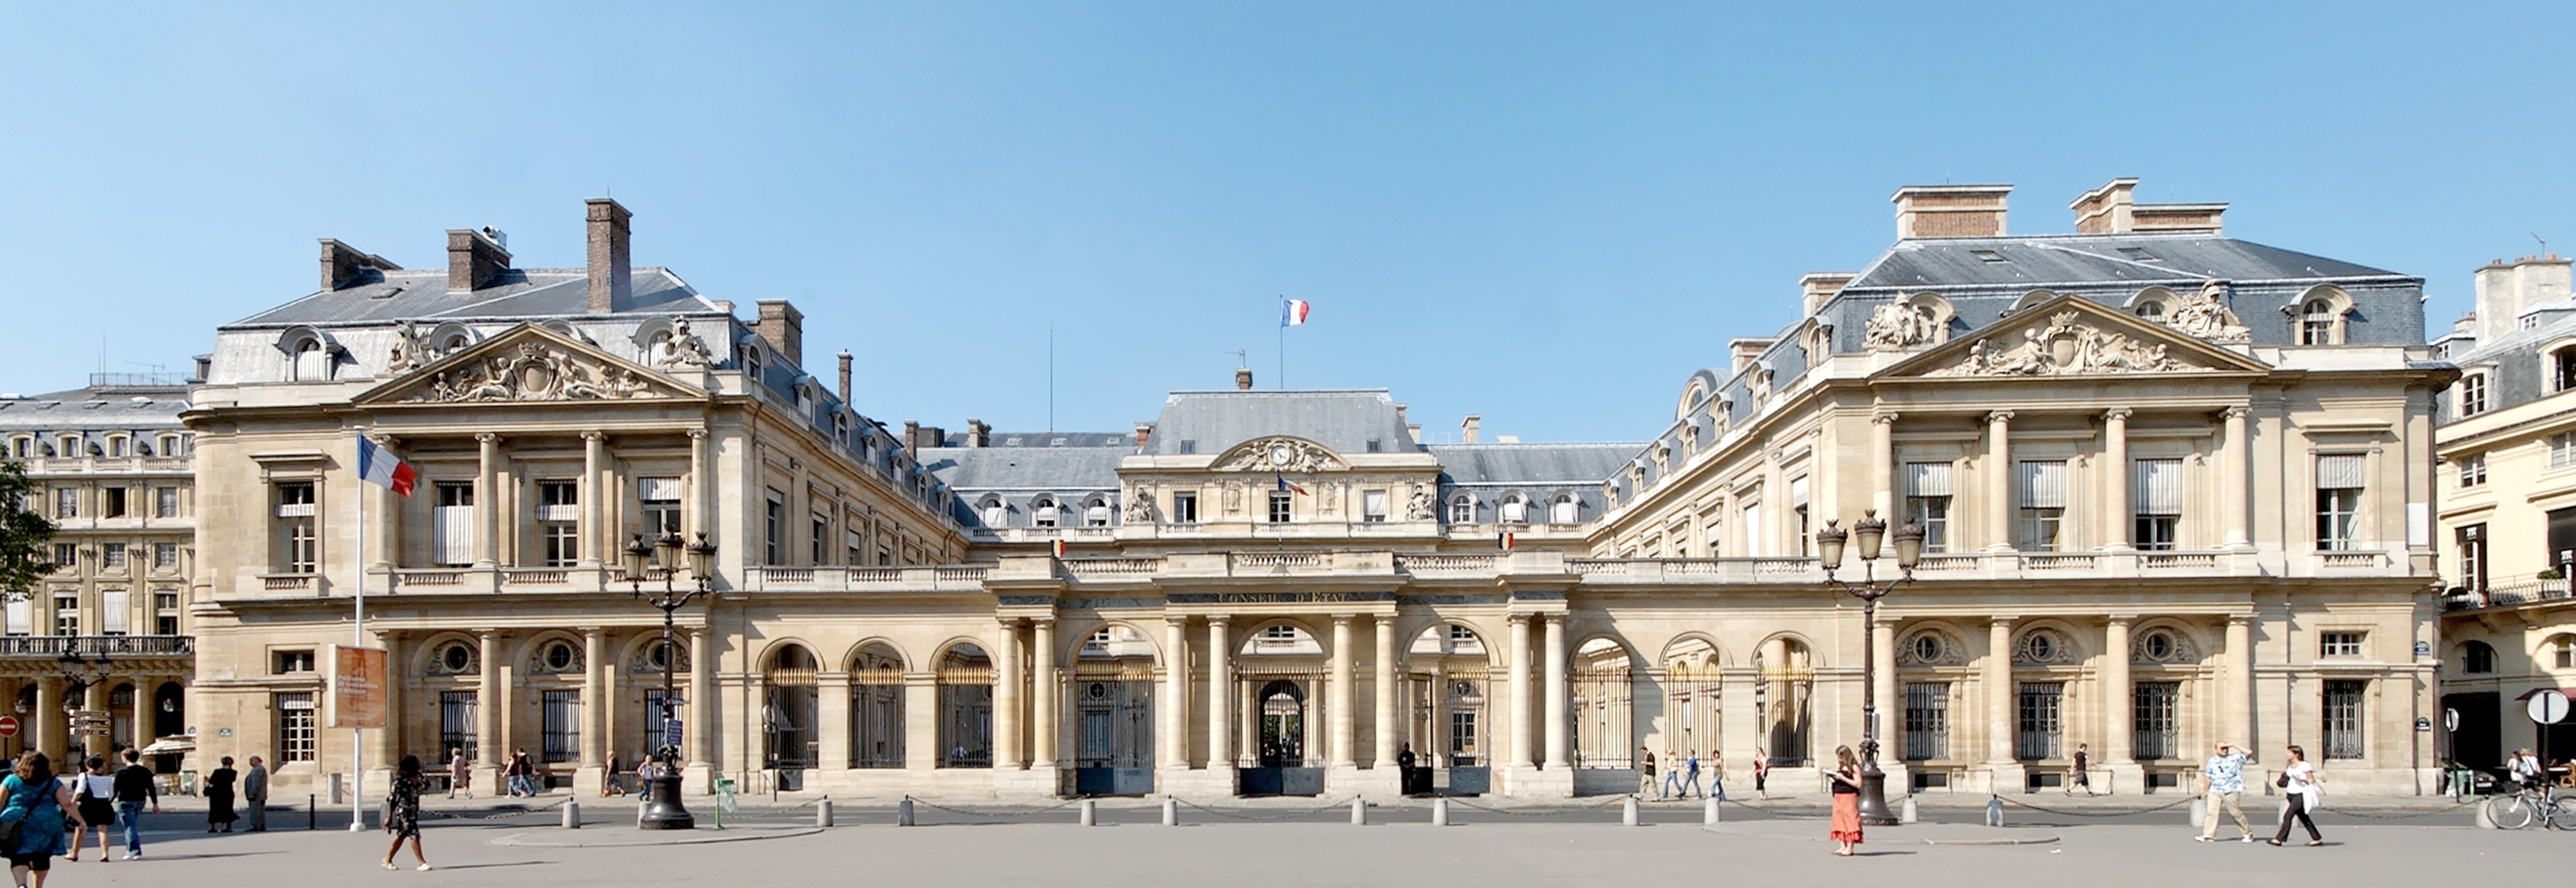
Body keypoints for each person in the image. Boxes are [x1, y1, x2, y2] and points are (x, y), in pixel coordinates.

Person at [1, 751, 78, 888]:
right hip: (46, 820)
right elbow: (65, 803)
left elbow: (0, 801)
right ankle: (38, 886)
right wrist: (80, 820)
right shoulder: (53, 782)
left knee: (18, 854)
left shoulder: (11, 780)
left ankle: (21, 884)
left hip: (15, 820)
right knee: (42, 854)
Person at [379, 754, 429, 871]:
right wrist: (388, 817)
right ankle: (421, 862)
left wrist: (419, 780)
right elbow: (392, 799)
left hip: (413, 810)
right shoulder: (399, 781)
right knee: (413, 833)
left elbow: (426, 786)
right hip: (403, 811)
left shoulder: (417, 777)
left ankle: (387, 859)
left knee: (401, 835)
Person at [2196, 741, 2254, 843]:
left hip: (2231, 789)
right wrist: (2206, 789)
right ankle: (2209, 834)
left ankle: (2247, 833)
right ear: (2216, 749)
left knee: (2235, 812)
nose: (2225, 750)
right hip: (2215, 789)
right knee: (2212, 813)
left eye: (2226, 748)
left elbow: (2249, 752)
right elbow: (2209, 776)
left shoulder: (2235, 758)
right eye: (2222, 748)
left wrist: (2234, 745)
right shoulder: (2212, 761)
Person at [2268, 744, 2323, 847]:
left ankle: (2279, 839)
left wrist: (2301, 779)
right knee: (2303, 817)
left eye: (2289, 752)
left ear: (2296, 754)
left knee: (2287, 816)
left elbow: (2311, 779)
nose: (2286, 754)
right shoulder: (2289, 765)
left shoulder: (2304, 765)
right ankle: (2316, 838)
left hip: (2301, 794)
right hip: (2291, 793)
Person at [109, 749, 155, 860]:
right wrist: (155, 803)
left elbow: (115, 789)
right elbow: (151, 788)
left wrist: (109, 801)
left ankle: (134, 851)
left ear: (125, 758)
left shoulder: (121, 772)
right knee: (131, 824)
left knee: (129, 826)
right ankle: (132, 849)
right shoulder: (145, 771)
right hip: (140, 800)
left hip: (125, 800)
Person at [67, 757, 112, 864]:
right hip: (103, 803)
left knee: (80, 829)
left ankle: (74, 853)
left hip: (88, 804)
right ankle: (104, 854)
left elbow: (80, 790)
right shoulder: (108, 778)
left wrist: (72, 803)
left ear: (87, 766)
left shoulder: (84, 776)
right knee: (102, 830)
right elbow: (110, 793)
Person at [1824, 745, 1864, 856]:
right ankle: (1842, 845)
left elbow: (1858, 784)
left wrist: (1844, 778)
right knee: (1839, 820)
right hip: (1838, 795)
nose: (1840, 760)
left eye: (1841, 757)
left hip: (1849, 795)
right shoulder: (1842, 767)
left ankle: (1850, 847)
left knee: (1850, 820)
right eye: (1838, 757)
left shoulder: (1854, 767)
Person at [203, 757, 238, 832]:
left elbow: (211, 781)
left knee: (213, 810)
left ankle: (211, 827)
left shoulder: (217, 771)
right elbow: (232, 780)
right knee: (226, 809)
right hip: (227, 793)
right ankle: (224, 826)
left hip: (215, 793)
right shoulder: (233, 772)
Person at [242, 756, 269, 831]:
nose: (250, 763)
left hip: (257, 795)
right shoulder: (257, 769)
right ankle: (260, 825)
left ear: (257, 761)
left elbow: (256, 782)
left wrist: (252, 792)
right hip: (258, 794)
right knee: (258, 811)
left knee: (256, 811)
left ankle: (257, 826)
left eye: (251, 761)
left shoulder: (258, 770)